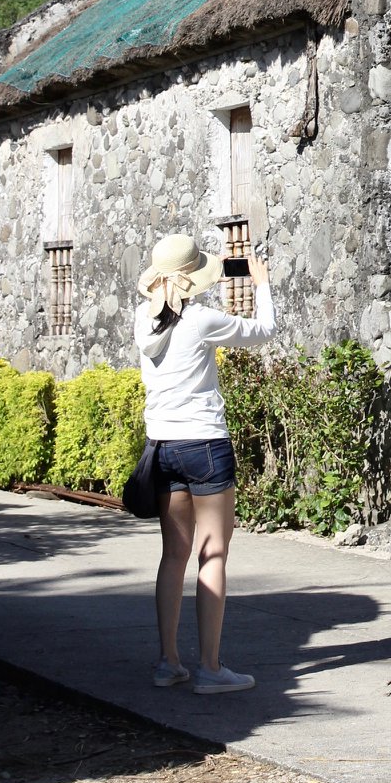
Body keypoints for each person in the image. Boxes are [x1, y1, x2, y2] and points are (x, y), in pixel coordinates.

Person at [134, 232, 276, 694]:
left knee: (173, 555)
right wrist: (261, 285)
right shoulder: (201, 320)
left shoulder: (143, 318)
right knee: (212, 553)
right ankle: (211, 669)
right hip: (205, 445)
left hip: (162, 445)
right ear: (194, 279)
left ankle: (167, 663)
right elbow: (264, 331)